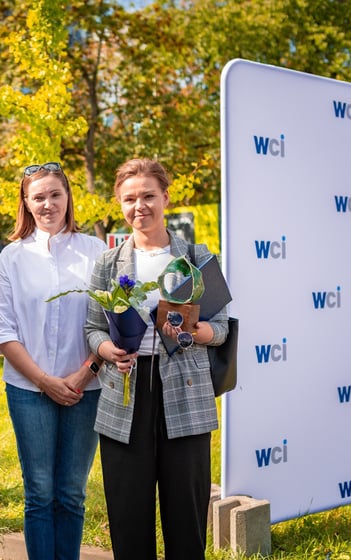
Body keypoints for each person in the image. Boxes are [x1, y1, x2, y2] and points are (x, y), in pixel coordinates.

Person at [84, 158, 228, 559]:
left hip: (185, 390)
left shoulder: (197, 256)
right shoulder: (108, 263)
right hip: (126, 393)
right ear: (119, 203)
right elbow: (92, 328)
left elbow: (221, 328)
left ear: (165, 197)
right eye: (129, 198)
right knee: (128, 515)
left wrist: (194, 332)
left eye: (148, 195)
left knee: (186, 515)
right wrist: (108, 350)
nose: (139, 206)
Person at [0, 161, 106, 560]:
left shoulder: (96, 252)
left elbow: (112, 321)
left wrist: (85, 373)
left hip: (86, 389)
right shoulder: (12, 257)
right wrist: (44, 380)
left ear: (68, 197)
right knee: (39, 493)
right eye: (38, 197)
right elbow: (2, 331)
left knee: (72, 493)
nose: (48, 204)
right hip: (28, 391)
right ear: (25, 202)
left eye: (56, 194)